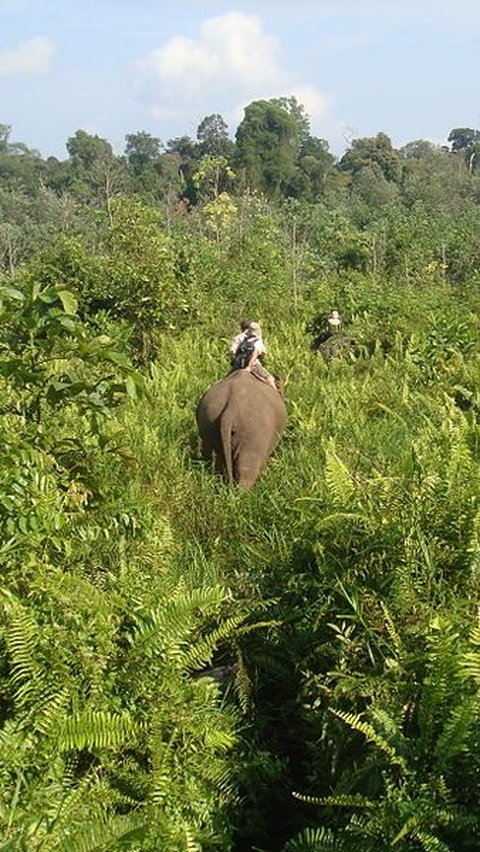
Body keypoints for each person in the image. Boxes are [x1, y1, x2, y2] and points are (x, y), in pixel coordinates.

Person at [229, 321, 277, 389]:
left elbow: (232, 351)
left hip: (238, 365)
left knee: (223, 381)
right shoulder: (257, 341)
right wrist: (249, 366)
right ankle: (276, 395)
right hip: (253, 364)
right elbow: (255, 353)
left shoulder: (241, 338)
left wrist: (235, 361)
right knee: (270, 378)